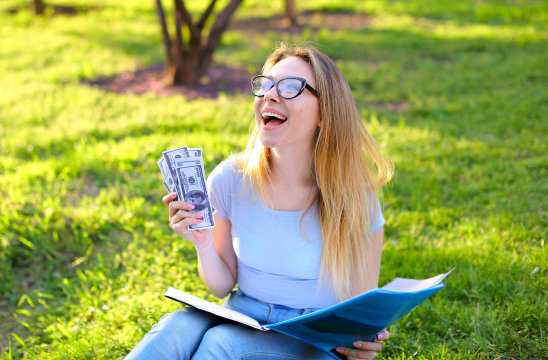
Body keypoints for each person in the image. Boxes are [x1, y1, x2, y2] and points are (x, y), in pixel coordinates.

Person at [124, 43, 394, 360]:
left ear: (325, 113)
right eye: (265, 84)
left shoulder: (355, 196)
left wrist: (364, 345)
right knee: (176, 328)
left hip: (311, 336)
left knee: (219, 344)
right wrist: (203, 243)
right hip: (242, 313)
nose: (270, 95)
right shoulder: (230, 179)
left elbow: (362, 314)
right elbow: (222, 286)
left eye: (291, 87)